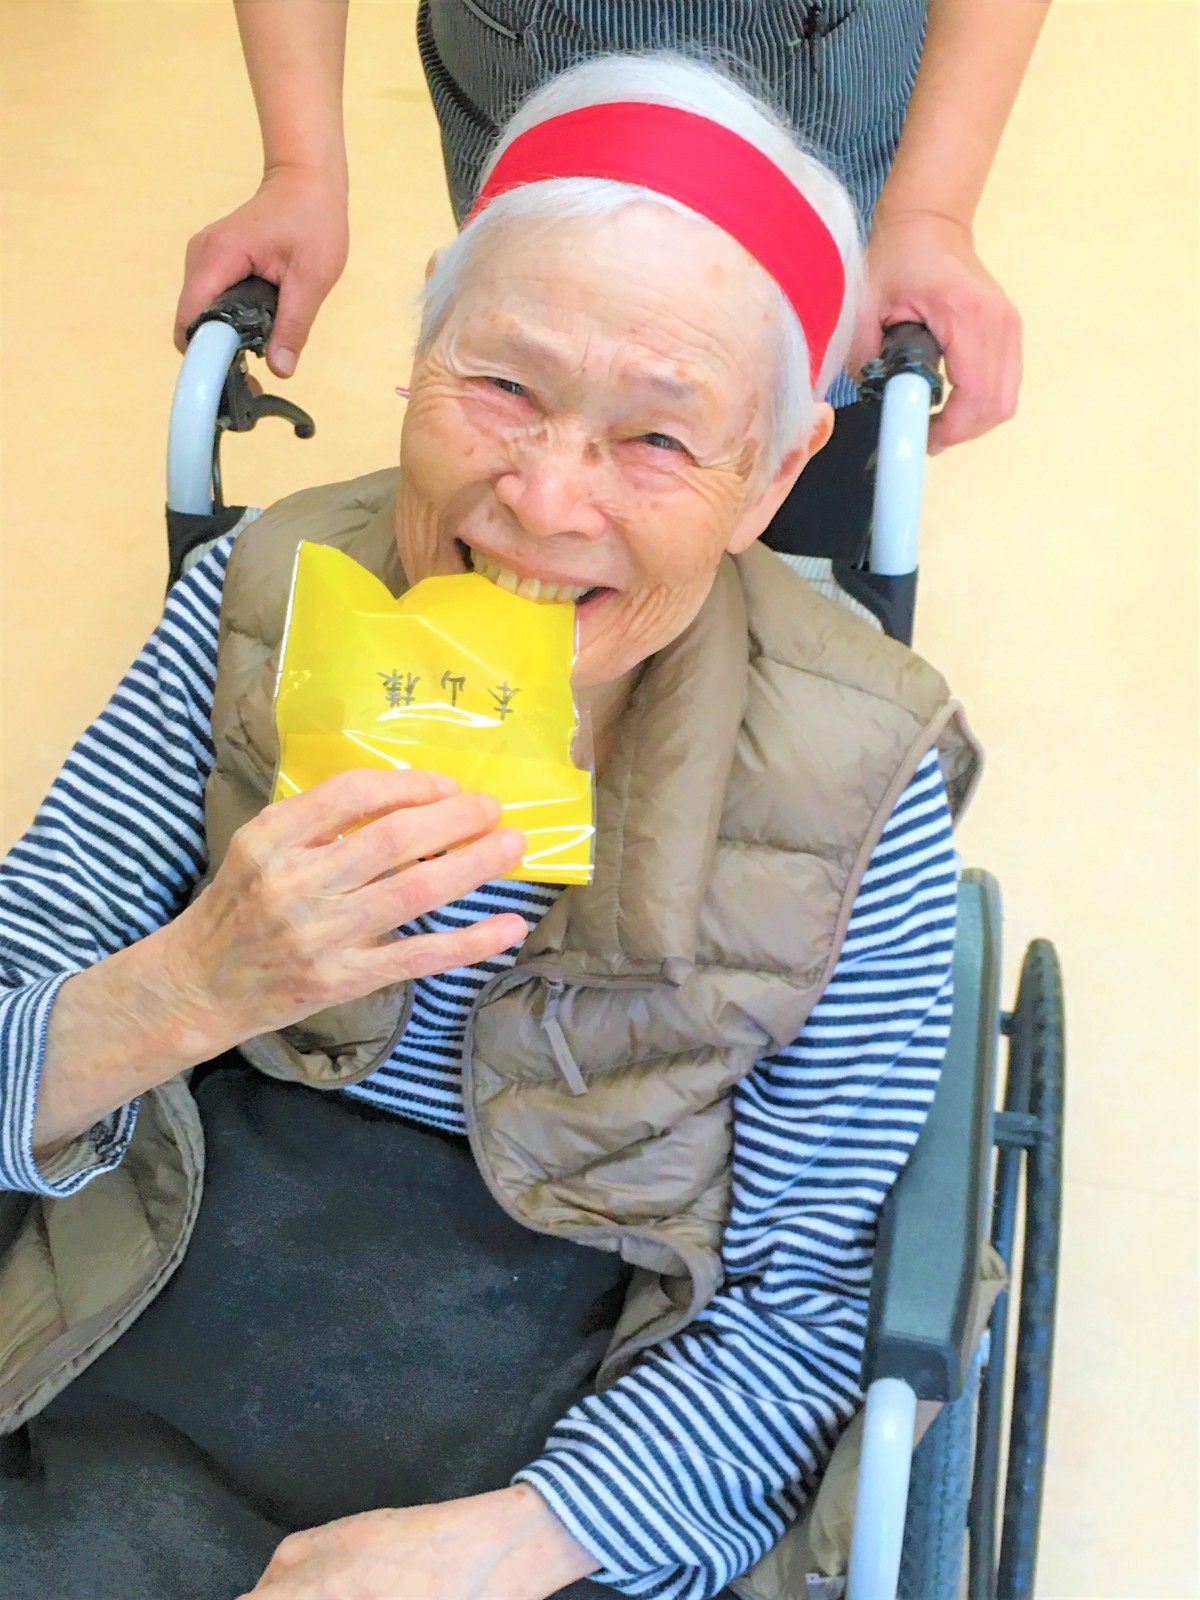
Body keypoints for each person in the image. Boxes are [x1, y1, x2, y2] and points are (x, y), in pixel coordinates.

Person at [0, 55, 980, 1600]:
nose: (542, 501)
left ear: (773, 477)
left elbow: (807, 1303)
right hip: (167, 1288)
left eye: (658, 440)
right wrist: (191, 983)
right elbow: (21, 1012)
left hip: (588, 1386)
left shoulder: (860, 773)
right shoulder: (258, 596)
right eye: (504, 386)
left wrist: (520, 1542)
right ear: (417, 358)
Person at [175, 0, 1046, 453]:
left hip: (826, 78)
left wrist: (931, 214)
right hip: (527, 53)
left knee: (779, 407)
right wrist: (300, 169)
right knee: (553, 360)